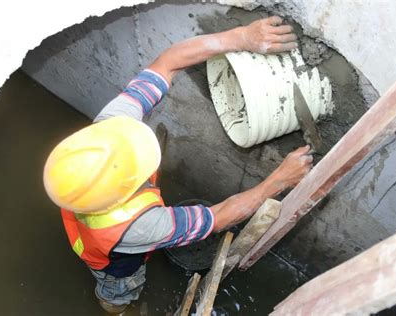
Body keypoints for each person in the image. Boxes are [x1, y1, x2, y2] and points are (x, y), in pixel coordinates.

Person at [43, 16, 313, 314]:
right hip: (112, 265)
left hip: (87, 233)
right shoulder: (138, 227)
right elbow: (218, 217)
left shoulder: (108, 131)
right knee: (120, 289)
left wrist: (242, 38)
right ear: (122, 192)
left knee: (101, 249)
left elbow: (167, 63)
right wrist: (279, 181)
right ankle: (114, 307)